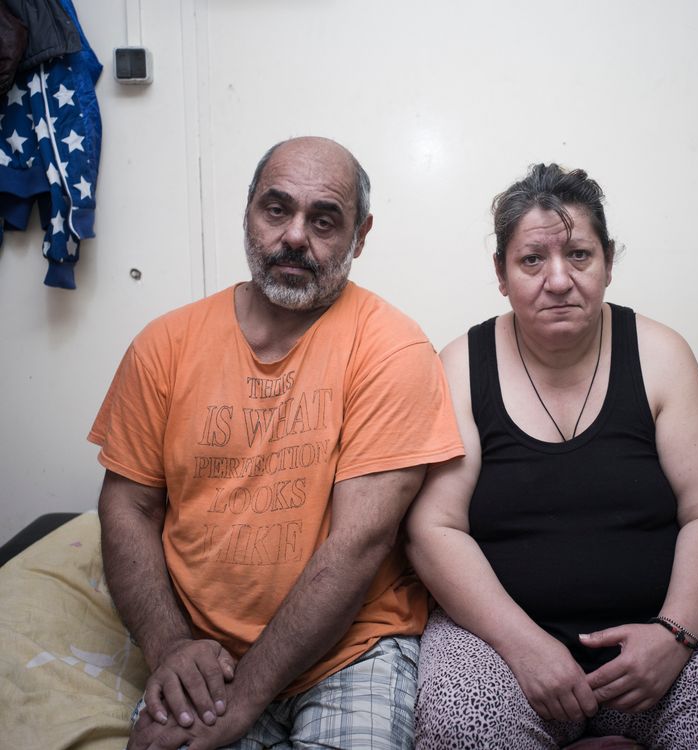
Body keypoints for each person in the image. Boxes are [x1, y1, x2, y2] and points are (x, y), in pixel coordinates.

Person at [406, 163, 698, 749]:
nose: (558, 280)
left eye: (579, 255)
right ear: (501, 274)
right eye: (532, 260)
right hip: (502, 645)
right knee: (462, 725)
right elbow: (434, 527)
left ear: (607, 263)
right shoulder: (460, 366)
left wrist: (675, 635)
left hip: (657, 633)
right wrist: (522, 645)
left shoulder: (661, 354)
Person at [90, 136, 464, 750]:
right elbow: (128, 506)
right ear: (248, 213)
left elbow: (359, 543)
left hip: (353, 652)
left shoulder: (392, 349)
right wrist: (171, 648)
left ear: (360, 237)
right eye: (276, 209)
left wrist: (243, 700)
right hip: (203, 652)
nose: (294, 236)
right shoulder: (165, 345)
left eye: (324, 220)